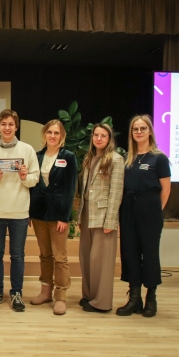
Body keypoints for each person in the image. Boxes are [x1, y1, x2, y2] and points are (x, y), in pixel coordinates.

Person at [0, 109, 39, 312]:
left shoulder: (27, 150)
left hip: (19, 212)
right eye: (3, 124)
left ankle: (16, 293)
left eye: (11, 124)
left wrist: (25, 177)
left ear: (16, 126)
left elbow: (35, 179)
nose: (7, 128)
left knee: (17, 255)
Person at [117, 115, 171, 318]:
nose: (139, 132)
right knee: (130, 252)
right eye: (135, 129)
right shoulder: (127, 159)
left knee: (149, 253)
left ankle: (151, 298)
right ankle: (134, 298)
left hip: (150, 210)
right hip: (128, 209)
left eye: (142, 128)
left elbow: (166, 189)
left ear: (150, 131)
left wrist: (156, 210)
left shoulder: (159, 158)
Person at [28, 119, 77, 315]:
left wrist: (64, 217)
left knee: (60, 258)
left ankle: (61, 296)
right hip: (39, 213)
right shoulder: (37, 156)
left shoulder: (68, 157)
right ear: (44, 134)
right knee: (45, 255)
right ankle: (45, 292)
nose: (53, 136)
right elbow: (32, 186)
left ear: (62, 136)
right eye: (50, 132)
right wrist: (29, 212)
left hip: (58, 215)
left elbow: (70, 189)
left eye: (56, 133)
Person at [78, 123, 124, 313]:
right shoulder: (89, 158)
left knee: (101, 260)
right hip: (87, 212)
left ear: (109, 138)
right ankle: (89, 295)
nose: (98, 138)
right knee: (86, 257)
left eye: (103, 135)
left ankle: (101, 302)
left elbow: (116, 192)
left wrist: (110, 220)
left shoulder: (116, 160)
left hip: (104, 215)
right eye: (96, 135)